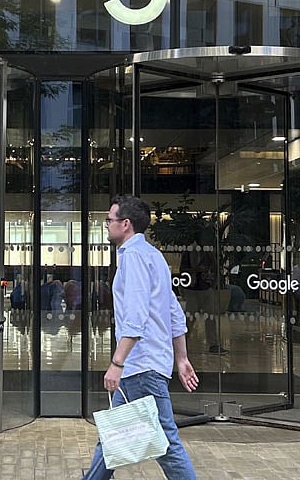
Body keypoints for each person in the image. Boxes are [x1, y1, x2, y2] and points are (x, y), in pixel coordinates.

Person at [83, 196, 199, 480]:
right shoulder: (153, 255)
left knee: (166, 443)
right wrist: (181, 358)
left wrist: (117, 363)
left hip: (141, 366)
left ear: (126, 224)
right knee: (111, 437)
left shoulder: (134, 257)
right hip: (145, 364)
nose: (106, 225)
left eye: (109, 220)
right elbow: (173, 311)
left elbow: (135, 318)